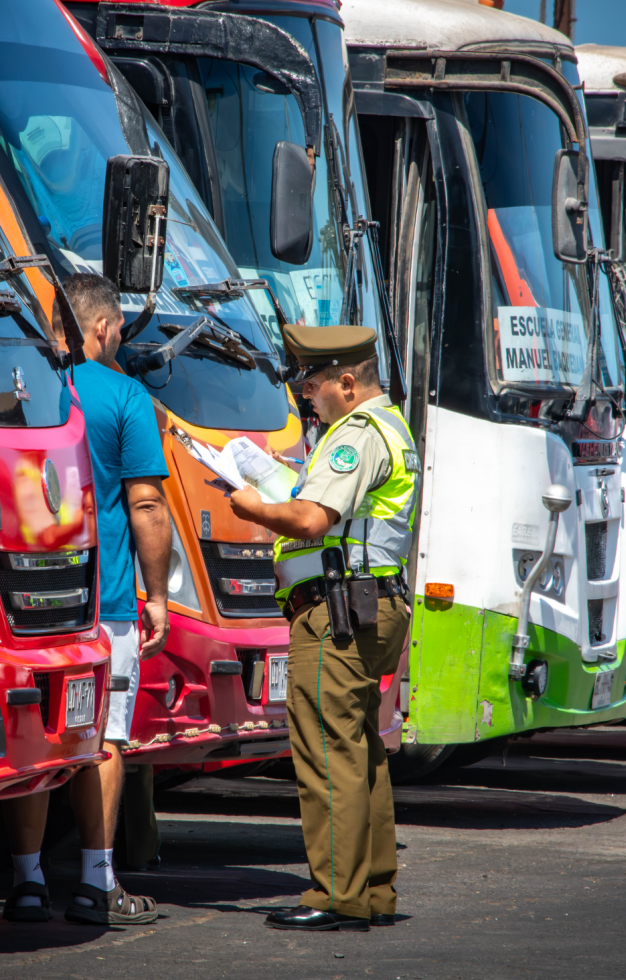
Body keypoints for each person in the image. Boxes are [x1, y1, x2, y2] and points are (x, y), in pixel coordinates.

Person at [226, 325, 414, 933]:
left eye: (313, 383)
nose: (306, 395)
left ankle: (336, 894)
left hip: (337, 613)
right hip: (368, 606)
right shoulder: (389, 428)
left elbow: (310, 518)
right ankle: (373, 890)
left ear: (348, 383)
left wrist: (254, 506)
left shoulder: (355, 436)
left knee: (327, 753)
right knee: (361, 749)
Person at [0, 274, 174, 923]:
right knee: (103, 738)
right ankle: (97, 883)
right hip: (105, 606)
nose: (123, 337)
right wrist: (156, 594)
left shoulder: (18, 391)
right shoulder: (125, 396)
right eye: (121, 327)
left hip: (30, 601)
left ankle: (25, 883)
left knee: (35, 739)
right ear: (100, 328)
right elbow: (147, 504)